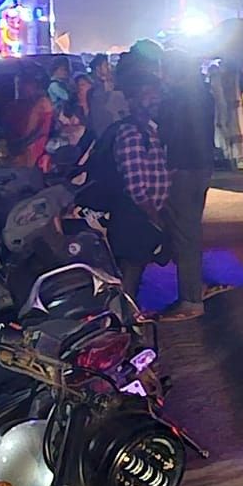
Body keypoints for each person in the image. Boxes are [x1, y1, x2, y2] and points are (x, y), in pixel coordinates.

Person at [87, 55, 170, 304]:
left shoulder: (149, 129)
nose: (155, 99)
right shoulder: (132, 133)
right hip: (135, 216)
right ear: (132, 100)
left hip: (141, 215)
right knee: (130, 272)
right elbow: (136, 187)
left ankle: (127, 319)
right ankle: (125, 322)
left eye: (157, 94)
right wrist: (155, 218)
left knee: (136, 268)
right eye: (148, 94)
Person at [159, 51, 222, 318]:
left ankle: (191, 299)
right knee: (191, 230)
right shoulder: (203, 94)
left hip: (183, 168)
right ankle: (194, 288)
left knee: (185, 234)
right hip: (202, 165)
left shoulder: (177, 99)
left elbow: (170, 133)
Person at [5, 68, 55, 171]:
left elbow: (36, 131)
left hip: (33, 151)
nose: (19, 86)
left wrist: (20, 145)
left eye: (23, 83)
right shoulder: (11, 107)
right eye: (17, 83)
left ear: (34, 85)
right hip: (16, 149)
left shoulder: (41, 103)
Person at [87, 53, 126, 137]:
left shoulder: (113, 85)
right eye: (106, 65)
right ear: (98, 69)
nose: (110, 68)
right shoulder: (94, 89)